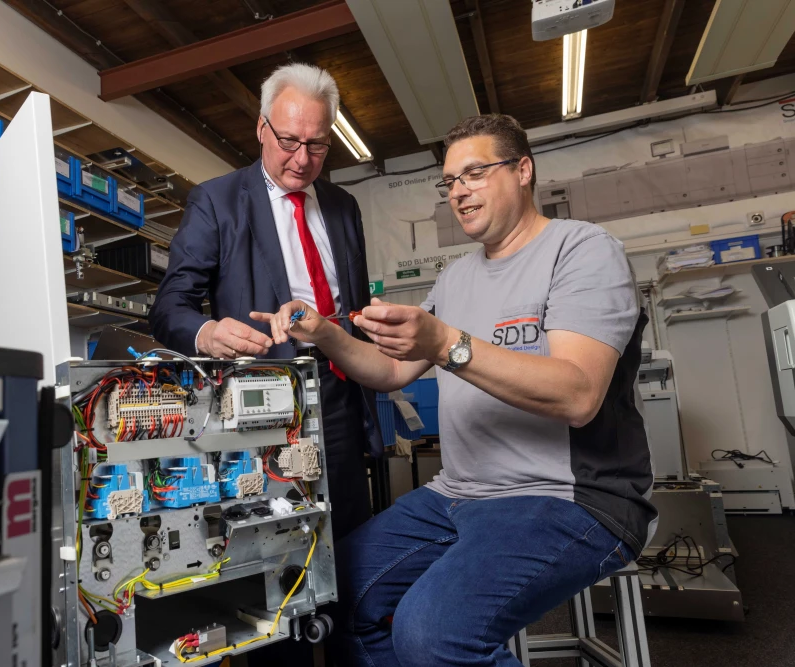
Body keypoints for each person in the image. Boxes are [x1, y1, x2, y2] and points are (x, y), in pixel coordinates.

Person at [252, 114, 657, 667]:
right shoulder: (456, 278)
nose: (459, 192)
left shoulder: (582, 251)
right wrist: (323, 331)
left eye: (474, 173)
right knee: (331, 590)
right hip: (459, 494)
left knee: (431, 633)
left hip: (566, 497)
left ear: (523, 170)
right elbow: (391, 371)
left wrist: (444, 342)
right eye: (450, 181)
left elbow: (578, 394)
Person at [149, 62, 379, 542]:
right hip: (262, 406)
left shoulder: (343, 207)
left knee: (353, 543)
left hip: (339, 397)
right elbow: (170, 305)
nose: (302, 158)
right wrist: (207, 333)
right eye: (289, 141)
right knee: (282, 548)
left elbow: (353, 304)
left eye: (316, 145)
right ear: (261, 128)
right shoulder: (217, 201)